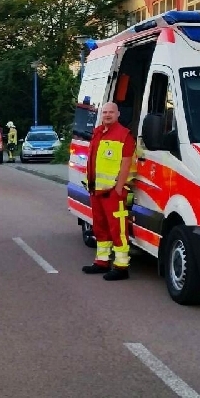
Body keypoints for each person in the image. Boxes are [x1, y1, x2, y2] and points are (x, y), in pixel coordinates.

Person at [81, 102, 136, 281]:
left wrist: (118, 189)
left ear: (118, 114)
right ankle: (102, 261)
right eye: (104, 112)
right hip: (96, 191)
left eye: (111, 112)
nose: (107, 114)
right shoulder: (97, 132)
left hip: (113, 193)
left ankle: (121, 266)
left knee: (118, 229)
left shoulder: (124, 135)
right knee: (100, 228)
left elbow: (126, 164)